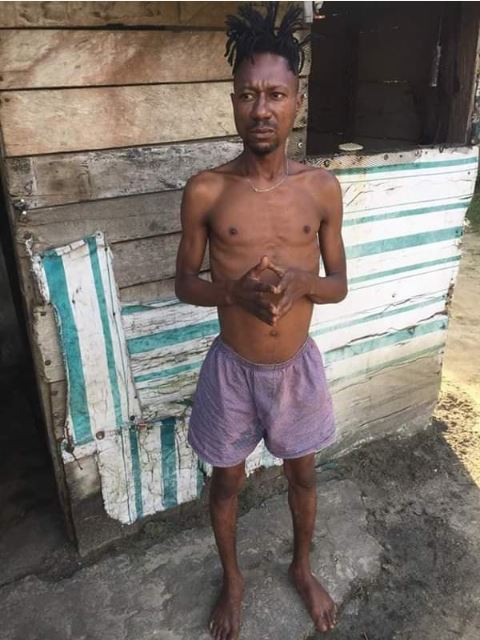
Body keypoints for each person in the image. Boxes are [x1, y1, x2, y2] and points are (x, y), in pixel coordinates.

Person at [175, 4, 347, 638]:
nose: (262, 109)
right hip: (232, 371)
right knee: (226, 482)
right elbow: (183, 281)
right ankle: (233, 577)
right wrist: (231, 293)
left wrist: (303, 283)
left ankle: (302, 567)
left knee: (303, 473)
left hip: (296, 370)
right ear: (233, 103)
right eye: (248, 95)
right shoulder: (207, 191)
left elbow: (339, 284)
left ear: (297, 102)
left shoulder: (321, 189)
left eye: (276, 94)